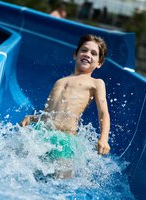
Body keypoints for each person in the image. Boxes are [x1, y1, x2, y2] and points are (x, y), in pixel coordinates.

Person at [20, 34, 110, 178]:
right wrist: (32, 118)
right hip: (42, 134)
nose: (88, 54)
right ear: (75, 54)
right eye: (84, 50)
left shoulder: (96, 83)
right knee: (21, 164)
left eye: (94, 53)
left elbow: (103, 112)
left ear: (99, 63)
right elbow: (49, 115)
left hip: (64, 141)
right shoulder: (60, 81)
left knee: (61, 181)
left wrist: (103, 138)